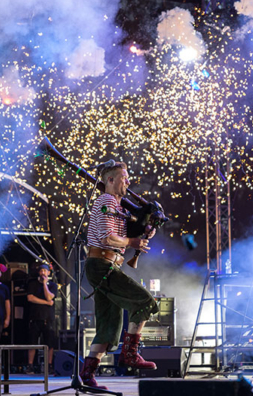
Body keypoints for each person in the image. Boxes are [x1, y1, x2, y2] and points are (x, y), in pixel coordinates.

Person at [80, 162, 159, 389]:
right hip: (101, 265)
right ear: (110, 181)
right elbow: (107, 237)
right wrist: (132, 242)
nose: (128, 182)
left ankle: (87, 377)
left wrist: (147, 228)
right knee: (145, 301)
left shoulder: (119, 206)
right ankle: (131, 354)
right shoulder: (106, 201)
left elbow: (131, 233)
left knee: (109, 325)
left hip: (105, 266)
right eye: (124, 177)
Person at [25, 263, 58, 375]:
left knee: (50, 343)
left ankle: (49, 366)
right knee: (32, 343)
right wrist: (46, 303)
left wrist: (45, 284)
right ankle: (30, 366)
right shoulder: (32, 283)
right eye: (41, 271)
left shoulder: (53, 285)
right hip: (35, 317)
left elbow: (50, 296)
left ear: (49, 272)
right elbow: (30, 298)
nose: (43, 272)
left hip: (48, 319)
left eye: (45, 271)